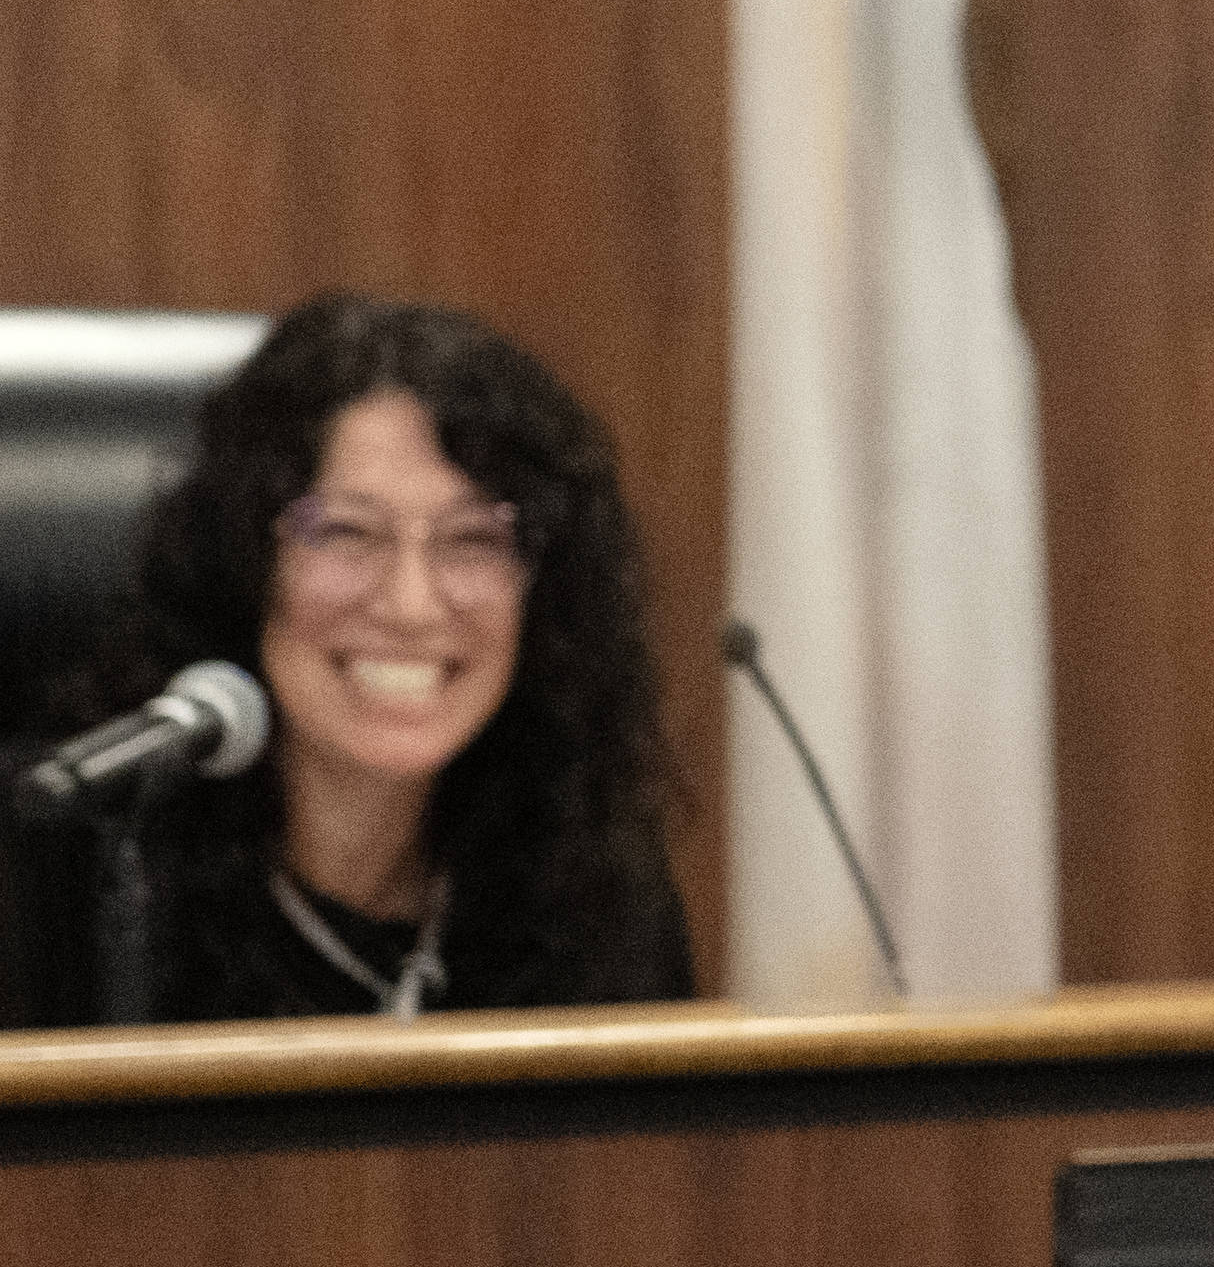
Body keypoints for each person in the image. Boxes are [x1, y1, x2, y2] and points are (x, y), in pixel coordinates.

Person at [0, 295, 696, 1022]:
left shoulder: (591, 885)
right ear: (245, 562)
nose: (411, 605)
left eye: (473, 540)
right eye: (346, 533)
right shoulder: (64, 862)